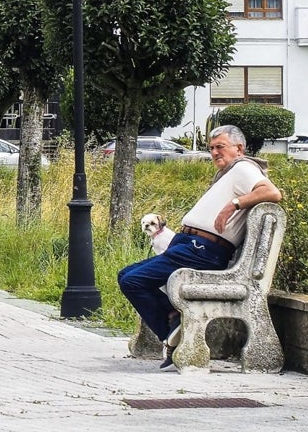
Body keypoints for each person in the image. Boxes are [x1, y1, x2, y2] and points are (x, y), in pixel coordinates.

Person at [117, 125, 282, 370]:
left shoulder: (244, 167)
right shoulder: (229, 173)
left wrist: (233, 205)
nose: (215, 152)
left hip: (201, 251)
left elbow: (272, 192)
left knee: (132, 281)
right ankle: (173, 319)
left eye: (220, 147)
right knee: (125, 275)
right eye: (211, 148)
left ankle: (170, 329)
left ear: (239, 148)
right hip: (189, 246)